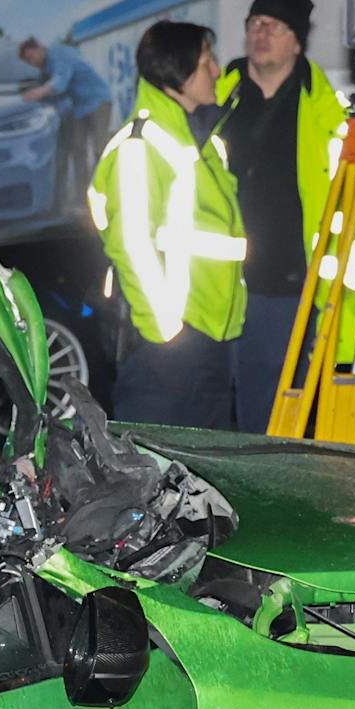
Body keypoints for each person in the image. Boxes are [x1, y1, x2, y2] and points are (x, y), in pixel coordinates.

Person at [87, 21, 247, 430]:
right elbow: (132, 243)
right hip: (168, 350)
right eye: (207, 60)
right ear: (178, 71)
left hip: (211, 336)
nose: (216, 71)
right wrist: (167, 330)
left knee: (203, 482)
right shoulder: (141, 146)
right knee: (153, 477)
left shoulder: (201, 142)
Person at [216, 0, 352, 430]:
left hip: (287, 283)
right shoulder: (218, 99)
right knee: (213, 412)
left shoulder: (326, 109)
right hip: (215, 285)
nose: (260, 33)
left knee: (274, 417)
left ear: (296, 39)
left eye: (273, 26)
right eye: (254, 23)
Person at [16, 36, 113, 215]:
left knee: (100, 149)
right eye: (28, 61)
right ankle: (82, 199)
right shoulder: (45, 68)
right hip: (80, 107)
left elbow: (59, 84)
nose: (32, 63)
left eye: (31, 58)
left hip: (98, 101)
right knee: (78, 152)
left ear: (39, 48)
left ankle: (108, 194)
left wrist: (36, 93)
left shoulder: (59, 54)